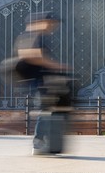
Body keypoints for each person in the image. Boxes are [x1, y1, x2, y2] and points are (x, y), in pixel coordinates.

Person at [14, 11, 72, 154]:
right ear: (42, 22)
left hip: (43, 80)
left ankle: (47, 141)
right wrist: (57, 66)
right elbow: (32, 56)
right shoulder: (31, 35)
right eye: (52, 23)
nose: (53, 27)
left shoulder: (38, 36)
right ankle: (39, 142)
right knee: (47, 110)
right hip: (38, 81)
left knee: (53, 109)